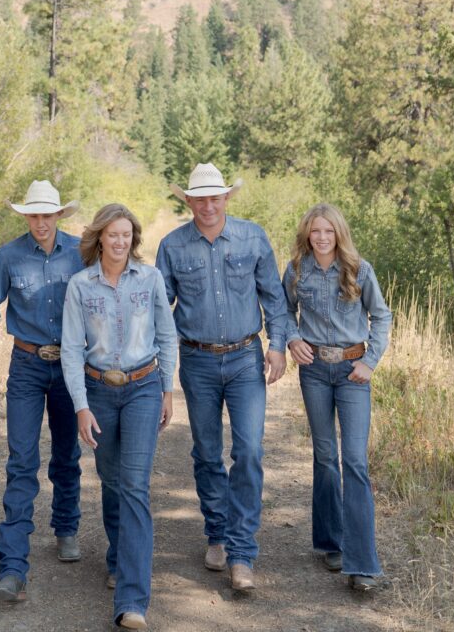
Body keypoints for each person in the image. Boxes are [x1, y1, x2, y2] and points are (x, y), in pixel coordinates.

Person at [156, 162, 288, 595]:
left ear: (227, 198)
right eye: (200, 199)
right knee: (208, 452)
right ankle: (216, 532)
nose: (208, 206)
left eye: (215, 197)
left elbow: (274, 296)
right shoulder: (172, 246)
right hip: (197, 362)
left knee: (248, 451)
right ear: (189, 201)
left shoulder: (253, 237)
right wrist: (161, 371)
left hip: (246, 359)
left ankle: (241, 552)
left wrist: (277, 344)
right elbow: (160, 311)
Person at [61, 203, 177, 632]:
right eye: (113, 234)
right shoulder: (80, 285)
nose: (120, 241)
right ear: (99, 238)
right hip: (97, 392)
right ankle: (117, 555)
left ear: (134, 239)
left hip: (144, 387)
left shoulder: (150, 280)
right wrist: (80, 405)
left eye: (127, 235)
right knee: (111, 482)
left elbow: (166, 335)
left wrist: (168, 389)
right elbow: (71, 348)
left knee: (134, 485)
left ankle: (132, 600)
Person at [0, 179, 84, 602]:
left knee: (66, 454)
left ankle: (67, 526)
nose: (40, 222)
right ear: (25, 216)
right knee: (21, 460)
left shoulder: (79, 253)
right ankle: (12, 568)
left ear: (58, 215)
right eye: (33, 215)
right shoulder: (8, 256)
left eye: (47, 214)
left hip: (70, 365)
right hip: (25, 366)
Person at [282, 203, 392, 592]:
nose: (322, 237)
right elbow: (282, 311)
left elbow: (382, 316)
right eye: (316, 231)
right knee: (326, 456)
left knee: (355, 461)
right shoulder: (297, 270)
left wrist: (371, 361)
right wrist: (292, 339)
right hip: (313, 372)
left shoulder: (359, 270)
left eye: (329, 231)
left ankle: (362, 564)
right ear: (307, 235)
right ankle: (331, 542)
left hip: (352, 372)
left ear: (339, 233)